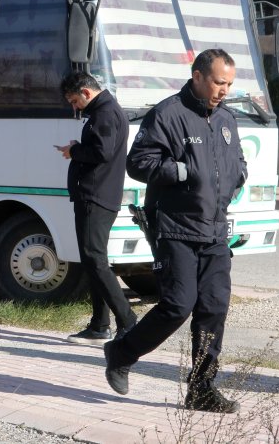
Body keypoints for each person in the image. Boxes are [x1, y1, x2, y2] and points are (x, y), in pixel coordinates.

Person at [103, 49, 247, 414]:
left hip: (215, 230)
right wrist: (181, 172)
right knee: (177, 306)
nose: (223, 91)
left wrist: (237, 177)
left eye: (228, 84)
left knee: (214, 307)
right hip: (176, 228)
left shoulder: (227, 119)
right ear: (197, 75)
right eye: (218, 82)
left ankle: (201, 387)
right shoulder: (168, 114)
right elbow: (139, 161)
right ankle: (121, 352)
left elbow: (238, 162)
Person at [56, 72, 137, 346]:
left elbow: (101, 152)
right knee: (93, 260)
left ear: (87, 93)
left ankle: (127, 320)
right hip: (97, 195)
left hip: (96, 196)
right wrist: (79, 147)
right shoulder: (106, 110)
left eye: (75, 100)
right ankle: (99, 325)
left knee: (95, 259)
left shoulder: (104, 113)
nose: (75, 106)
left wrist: (75, 151)